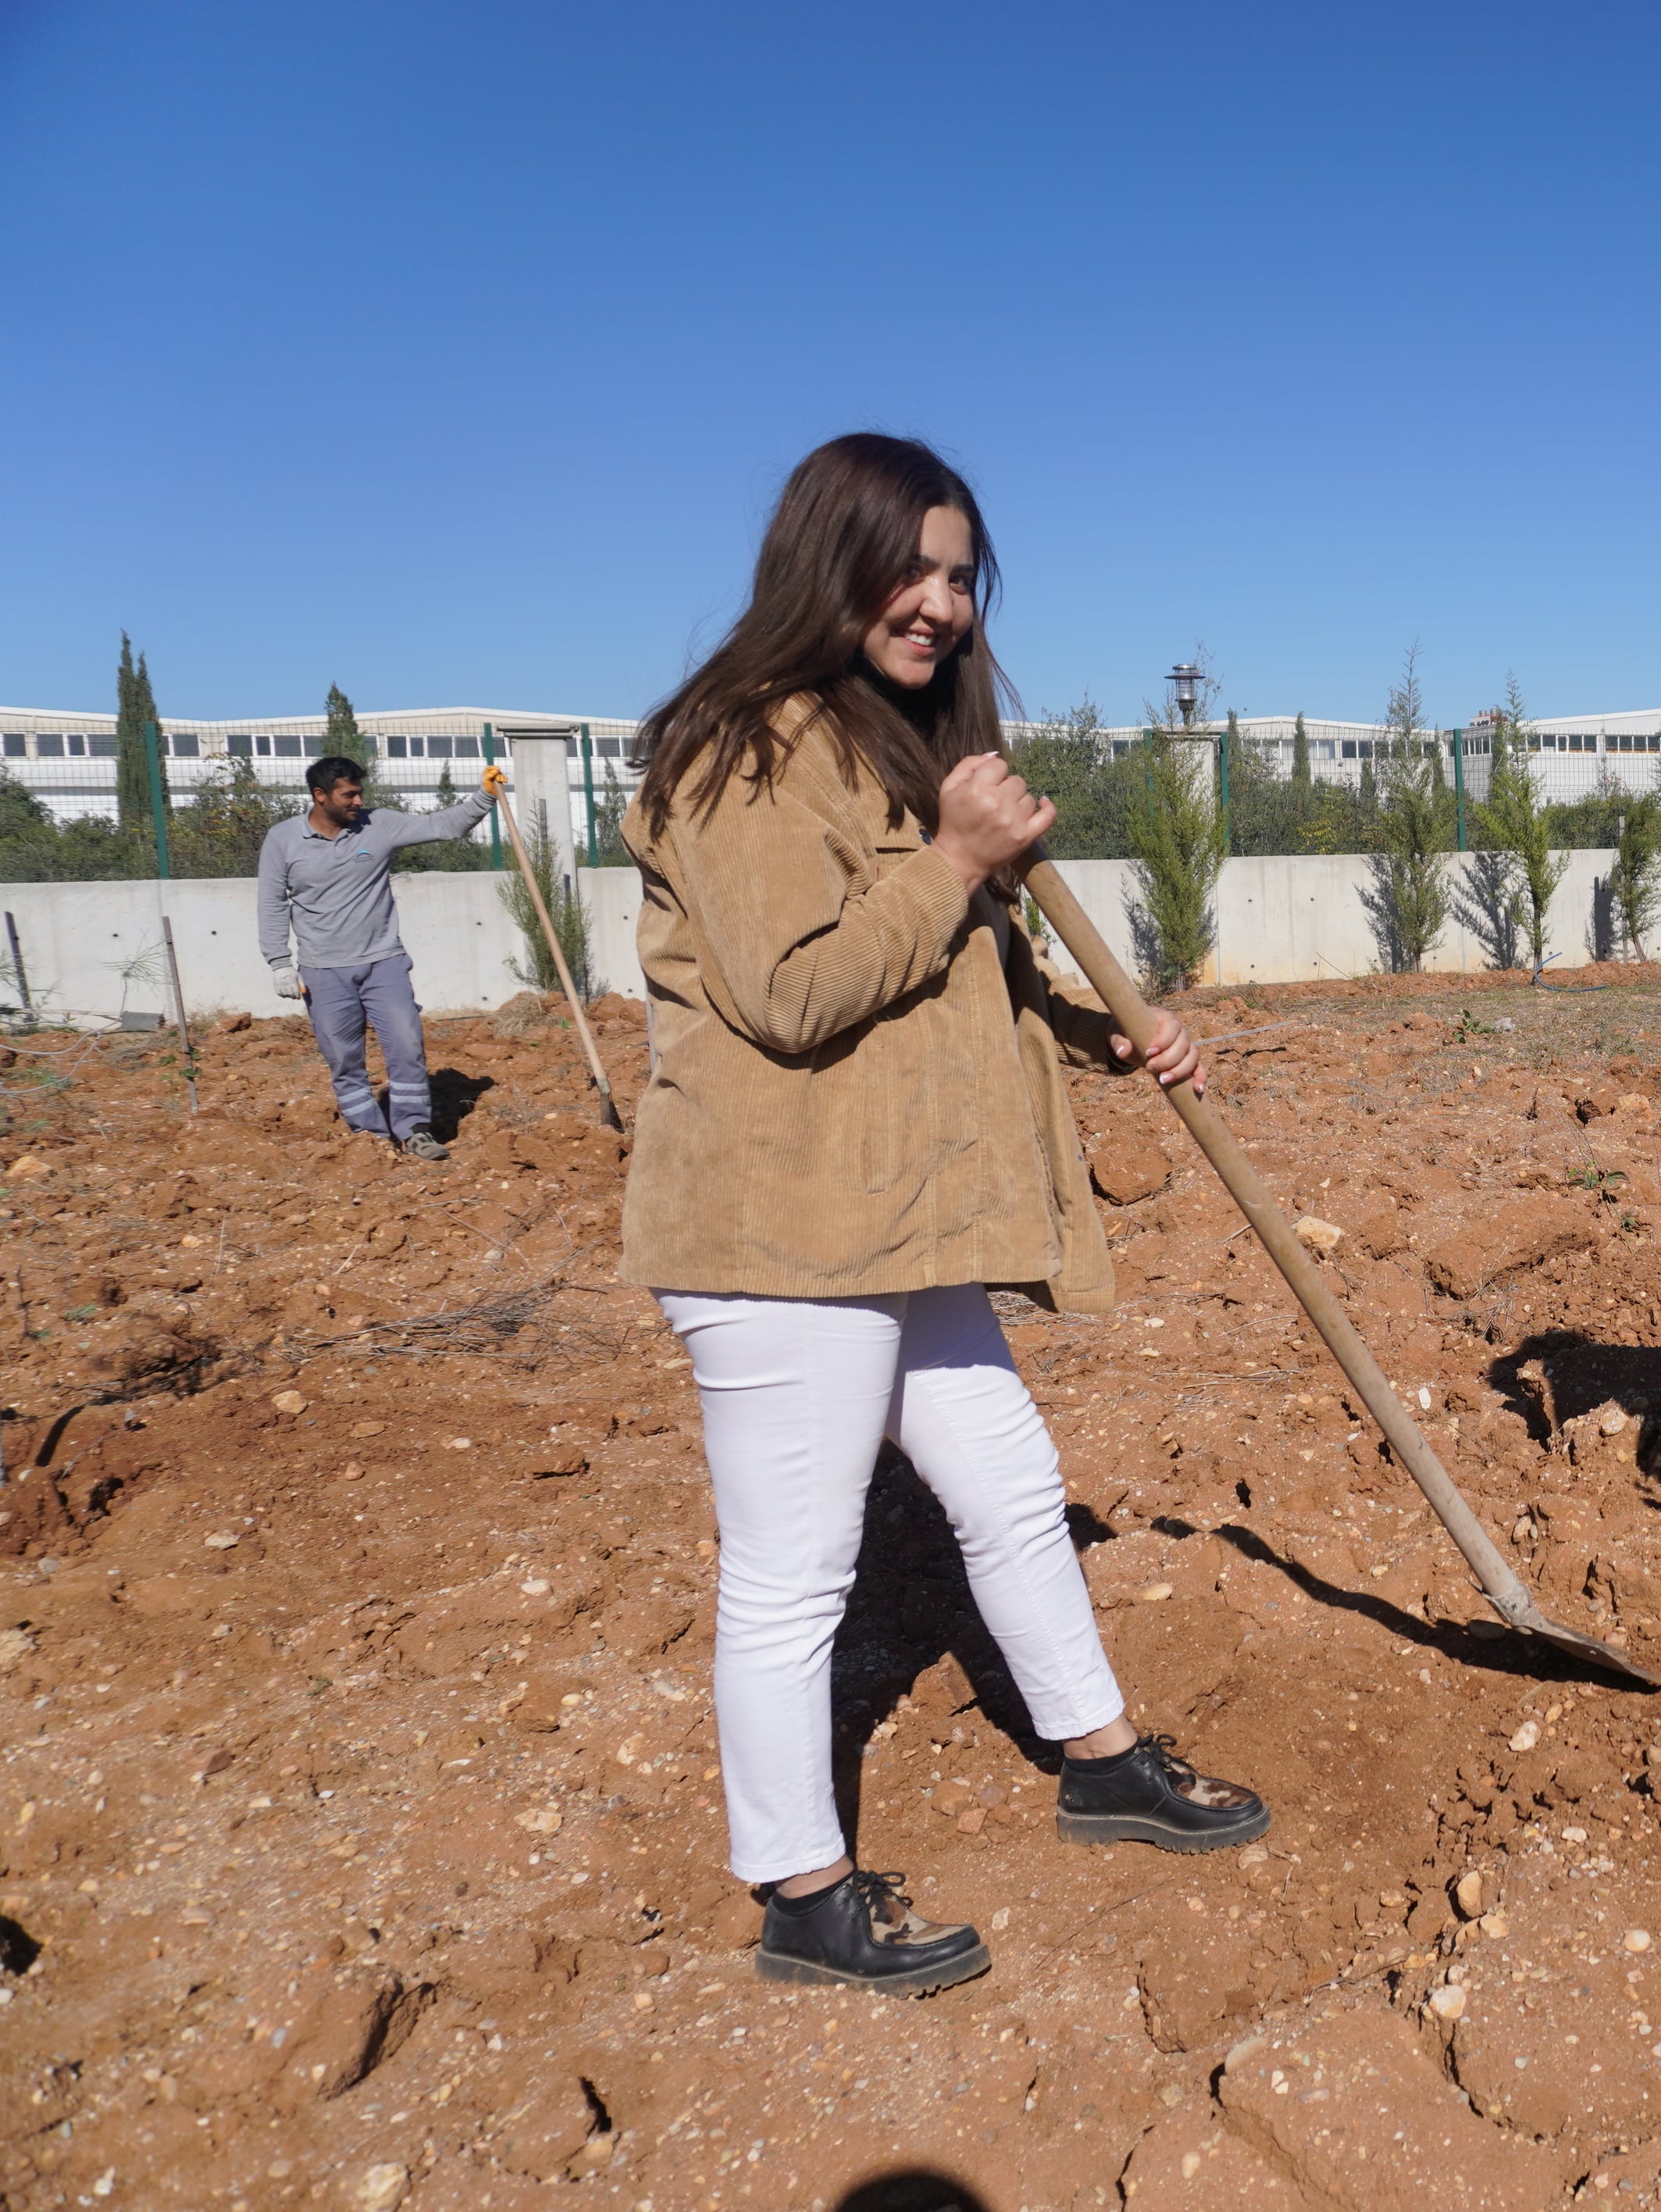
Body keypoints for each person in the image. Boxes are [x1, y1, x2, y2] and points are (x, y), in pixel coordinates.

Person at [622, 431, 1268, 1998]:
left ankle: (1099, 1755)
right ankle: (800, 1891)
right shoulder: (736, 748)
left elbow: (940, 976)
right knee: (793, 1571)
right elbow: (791, 993)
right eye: (909, 567)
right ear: (826, 562)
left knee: (1007, 1479)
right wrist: (956, 856)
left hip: (896, 1218)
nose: (940, 602)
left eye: (960, 573)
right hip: (780, 1228)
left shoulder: (891, 744)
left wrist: (1084, 1028)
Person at [255, 751, 502, 1160]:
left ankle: (414, 1128)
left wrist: (484, 797)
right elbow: (271, 902)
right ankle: (369, 1137)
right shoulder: (283, 839)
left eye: (359, 793)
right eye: (348, 795)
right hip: (322, 970)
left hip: (383, 960)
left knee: (406, 1043)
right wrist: (279, 961)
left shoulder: (379, 824)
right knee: (343, 1056)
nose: (357, 802)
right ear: (320, 796)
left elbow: (443, 825)